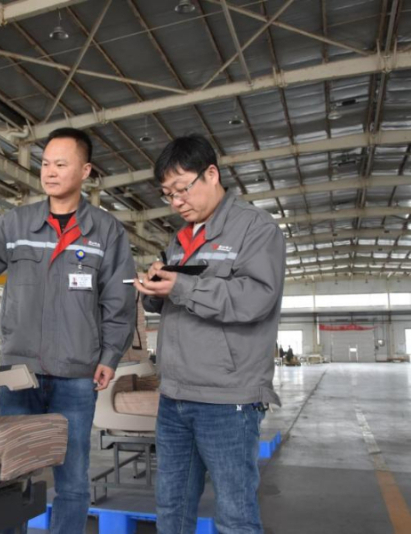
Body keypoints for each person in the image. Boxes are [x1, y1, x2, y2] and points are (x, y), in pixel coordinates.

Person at [0, 127, 136, 534]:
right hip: (19, 374)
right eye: (45, 164)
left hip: (76, 376)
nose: (50, 172)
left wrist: (110, 356)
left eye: (61, 164)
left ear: (85, 171)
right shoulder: (16, 224)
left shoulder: (106, 231)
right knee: (12, 475)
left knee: (72, 480)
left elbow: (119, 301)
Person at [133, 134, 285, 534]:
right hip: (175, 395)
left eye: (182, 188)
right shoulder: (179, 240)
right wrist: (155, 288)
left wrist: (182, 287)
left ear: (212, 174)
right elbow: (175, 302)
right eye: (168, 194)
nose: (176, 201)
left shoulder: (255, 228)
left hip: (227, 398)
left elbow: (256, 299)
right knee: (171, 508)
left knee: (234, 515)